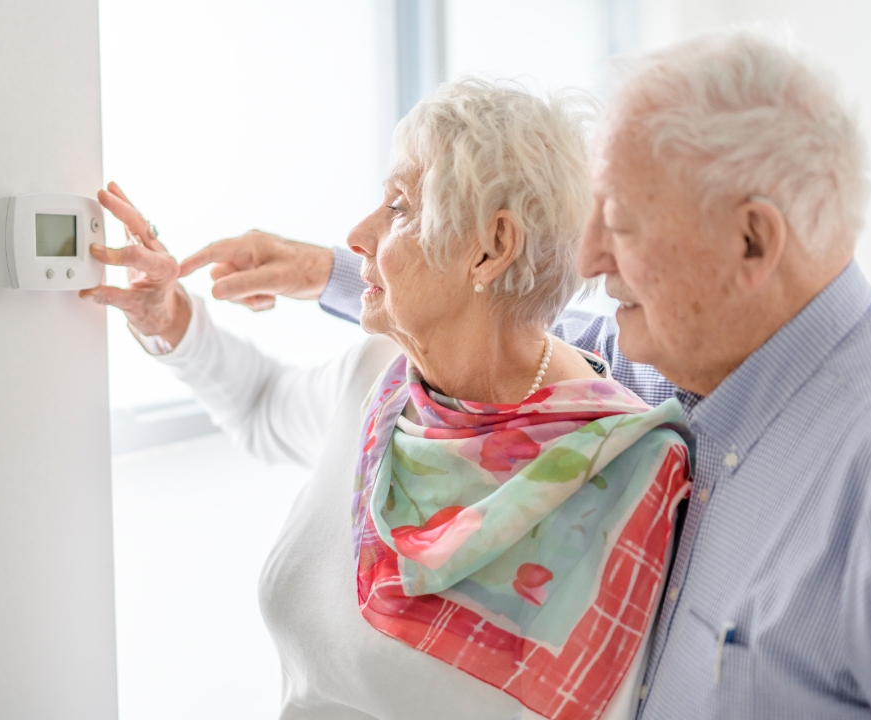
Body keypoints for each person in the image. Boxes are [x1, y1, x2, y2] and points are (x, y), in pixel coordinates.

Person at [177, 31, 871, 719]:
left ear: (751, 243)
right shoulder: (662, 373)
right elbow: (503, 330)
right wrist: (338, 271)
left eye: (621, 226)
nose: (590, 260)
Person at [82, 80, 692, 719]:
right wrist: (167, 318)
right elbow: (263, 404)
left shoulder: (628, 471)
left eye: (398, 207)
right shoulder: (377, 377)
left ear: (491, 248)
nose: (355, 235)